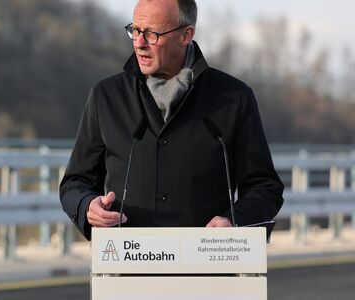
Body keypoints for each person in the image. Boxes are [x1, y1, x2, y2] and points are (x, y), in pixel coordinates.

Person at [59, 0, 284, 240]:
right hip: (126, 267)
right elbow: (75, 182)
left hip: (207, 266)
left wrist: (233, 221)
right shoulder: (106, 97)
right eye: (135, 30)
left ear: (186, 34)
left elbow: (264, 186)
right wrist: (87, 206)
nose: (140, 43)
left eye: (152, 34)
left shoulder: (233, 98)